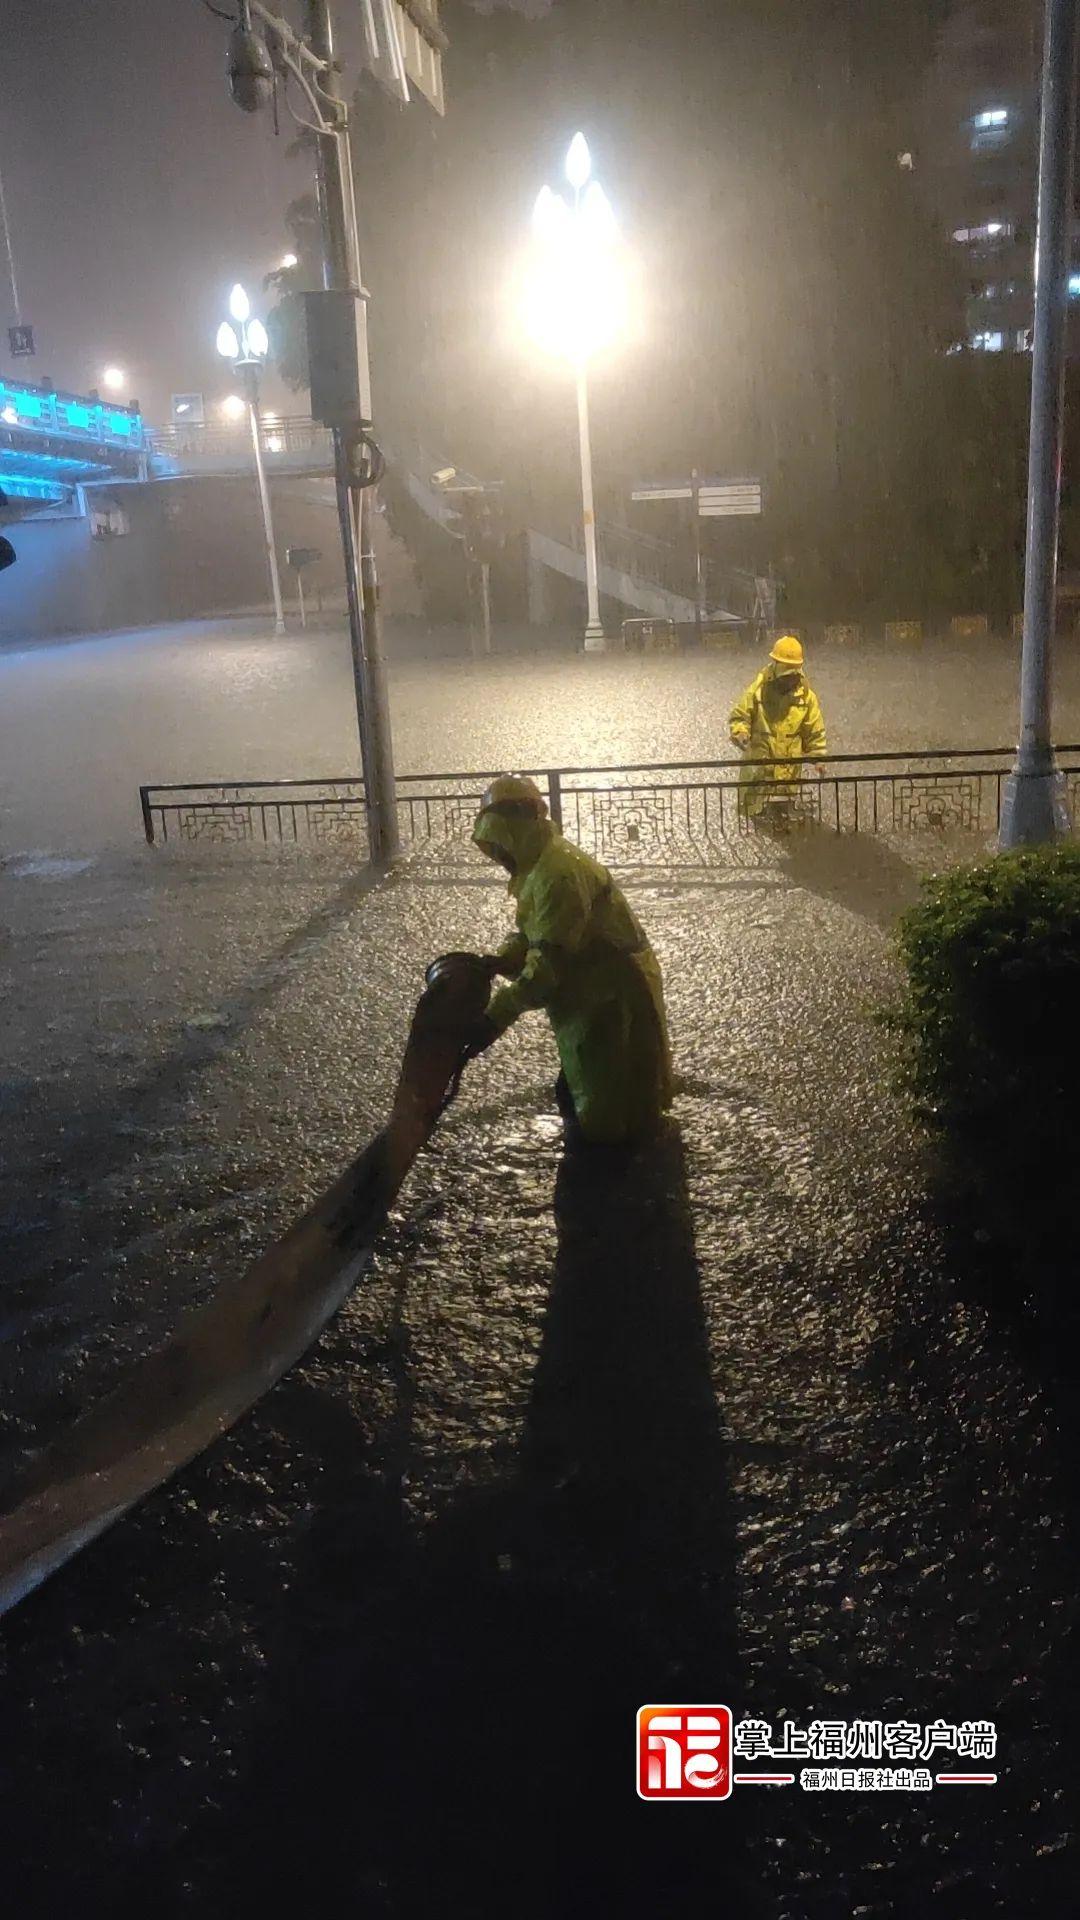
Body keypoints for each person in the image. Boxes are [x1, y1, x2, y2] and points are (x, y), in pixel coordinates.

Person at [463, 775, 673, 1147]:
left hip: (611, 998)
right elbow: (535, 933)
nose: (499, 858)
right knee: (598, 1091)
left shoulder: (557, 875)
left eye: (499, 845)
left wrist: (493, 1019)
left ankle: (616, 1190)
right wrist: (498, 960)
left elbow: (547, 967)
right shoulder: (541, 867)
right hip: (594, 996)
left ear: (512, 830)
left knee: (609, 1109)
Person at [728, 634, 827, 817]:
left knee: (784, 824)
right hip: (759, 776)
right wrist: (740, 732)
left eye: (792, 676)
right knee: (755, 826)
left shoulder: (806, 697)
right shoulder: (757, 691)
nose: (789, 681)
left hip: (788, 777)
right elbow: (740, 716)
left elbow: (814, 731)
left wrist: (818, 758)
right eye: (785, 676)